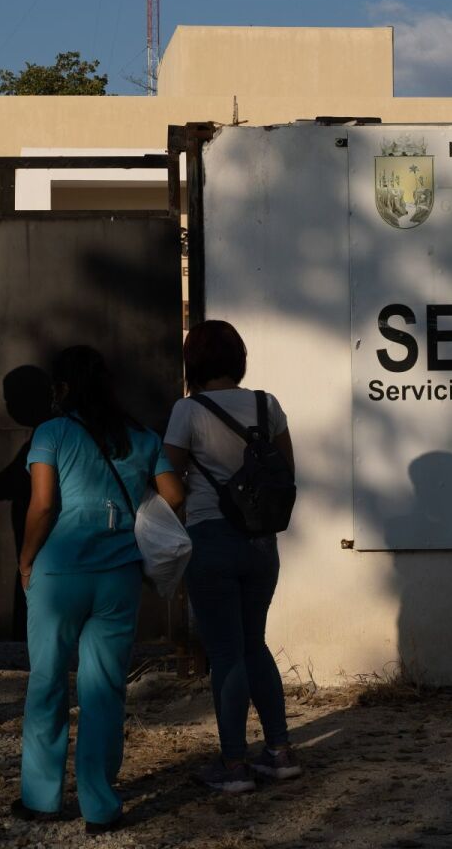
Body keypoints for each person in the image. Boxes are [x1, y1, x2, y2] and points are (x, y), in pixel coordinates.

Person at [14, 346, 185, 834]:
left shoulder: (51, 433)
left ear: (62, 388)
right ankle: (101, 805)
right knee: (104, 689)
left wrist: (25, 560)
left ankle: (41, 799)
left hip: (59, 575)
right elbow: (175, 495)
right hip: (118, 577)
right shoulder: (141, 435)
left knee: (47, 682)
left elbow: (43, 506)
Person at [163, 320, 302, 792]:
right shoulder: (268, 405)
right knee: (253, 643)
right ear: (239, 358)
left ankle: (233, 764)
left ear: (194, 362)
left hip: (210, 539)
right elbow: (285, 473)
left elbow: (169, 482)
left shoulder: (187, 410)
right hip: (263, 544)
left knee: (224, 651)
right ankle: (280, 752)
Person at [0, 365, 54, 641]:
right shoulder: (51, 433)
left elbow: (40, 501)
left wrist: (25, 560)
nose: (8, 406)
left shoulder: (45, 437)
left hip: (41, 548)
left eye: (11, 398)